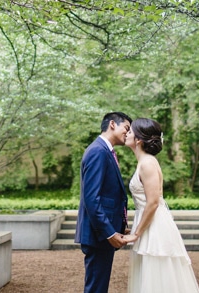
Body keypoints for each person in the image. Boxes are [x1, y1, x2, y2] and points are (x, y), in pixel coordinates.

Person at [121, 118, 199, 293]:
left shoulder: (148, 163)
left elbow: (153, 202)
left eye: (130, 131)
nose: (126, 133)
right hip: (147, 222)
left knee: (157, 275)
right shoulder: (143, 162)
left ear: (139, 140)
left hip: (155, 226)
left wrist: (136, 234)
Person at [75, 111, 132, 293]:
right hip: (99, 234)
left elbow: (110, 195)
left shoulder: (105, 151)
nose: (128, 133)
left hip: (103, 232)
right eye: (127, 128)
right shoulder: (98, 151)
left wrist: (119, 226)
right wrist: (109, 233)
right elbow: (92, 198)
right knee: (96, 289)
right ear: (113, 124)